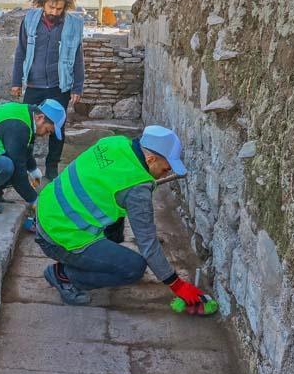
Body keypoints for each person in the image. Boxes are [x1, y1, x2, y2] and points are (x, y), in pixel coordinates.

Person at [35, 126, 205, 306]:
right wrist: (176, 285)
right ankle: (64, 276)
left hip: (48, 208)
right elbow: (147, 244)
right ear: (151, 158)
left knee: (117, 222)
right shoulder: (137, 190)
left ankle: (97, 260)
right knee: (133, 268)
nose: (167, 173)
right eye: (165, 169)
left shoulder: (116, 142)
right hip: (59, 236)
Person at [11, 0, 85, 181]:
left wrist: (78, 86)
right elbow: (21, 51)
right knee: (28, 127)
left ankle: (52, 170)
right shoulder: (30, 19)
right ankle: (26, 166)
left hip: (59, 85)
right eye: (51, 7)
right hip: (34, 84)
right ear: (42, 3)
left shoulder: (73, 24)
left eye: (59, 8)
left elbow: (78, 57)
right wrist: (16, 81)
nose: (55, 12)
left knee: (57, 128)